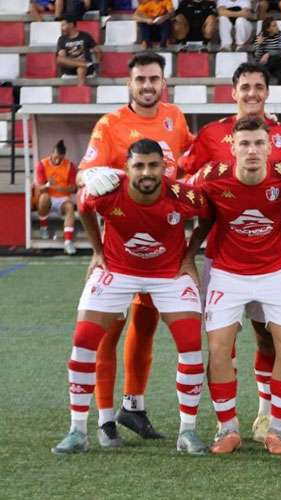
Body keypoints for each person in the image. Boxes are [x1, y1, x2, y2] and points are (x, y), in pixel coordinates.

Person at [51, 139, 208, 455]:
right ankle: (77, 430)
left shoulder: (183, 195)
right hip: (117, 270)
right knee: (83, 340)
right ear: (126, 168)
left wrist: (190, 255)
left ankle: (187, 432)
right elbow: (82, 207)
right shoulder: (107, 191)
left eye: (153, 165)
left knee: (191, 343)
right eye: (139, 165)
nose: (146, 172)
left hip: (168, 274)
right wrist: (97, 250)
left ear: (164, 167)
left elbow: (209, 215)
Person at [181, 62, 281, 444]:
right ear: (233, 92)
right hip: (224, 261)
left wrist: (274, 217)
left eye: (259, 86)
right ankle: (227, 427)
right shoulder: (211, 143)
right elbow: (182, 191)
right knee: (220, 344)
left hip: (274, 264)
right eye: (245, 87)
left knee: (276, 341)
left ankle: (271, 421)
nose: (252, 93)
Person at [77, 51, 194, 447]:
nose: (147, 86)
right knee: (111, 330)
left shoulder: (175, 118)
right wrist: (99, 176)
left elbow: (189, 163)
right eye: (140, 79)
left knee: (146, 328)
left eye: (154, 79)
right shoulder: (110, 125)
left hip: (166, 250)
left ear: (164, 82)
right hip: (124, 250)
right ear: (129, 84)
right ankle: (105, 418)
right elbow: (85, 177)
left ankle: (134, 406)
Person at [35, 140, 78, 255]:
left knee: (70, 207)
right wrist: (49, 184)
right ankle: (43, 228)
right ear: (52, 154)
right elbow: (40, 188)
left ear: (64, 156)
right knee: (43, 197)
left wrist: (63, 189)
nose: (58, 160)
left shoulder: (70, 165)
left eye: (60, 158)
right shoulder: (42, 164)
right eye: (56, 157)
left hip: (63, 199)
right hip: (48, 197)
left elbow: (74, 188)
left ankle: (68, 242)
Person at [56, 18, 101, 86]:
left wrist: (97, 64)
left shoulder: (85, 36)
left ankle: (80, 91)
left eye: (63, 25)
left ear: (71, 24)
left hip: (85, 70)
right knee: (59, 59)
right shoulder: (62, 39)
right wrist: (77, 61)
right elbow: (62, 57)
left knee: (81, 69)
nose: (61, 28)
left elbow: (98, 51)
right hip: (70, 67)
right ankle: (85, 64)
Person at [253, 16, 281, 85]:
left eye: (276, 25)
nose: (277, 27)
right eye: (274, 26)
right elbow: (257, 56)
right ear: (268, 29)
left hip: (278, 63)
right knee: (263, 69)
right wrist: (259, 45)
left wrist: (268, 54)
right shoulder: (260, 37)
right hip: (266, 64)